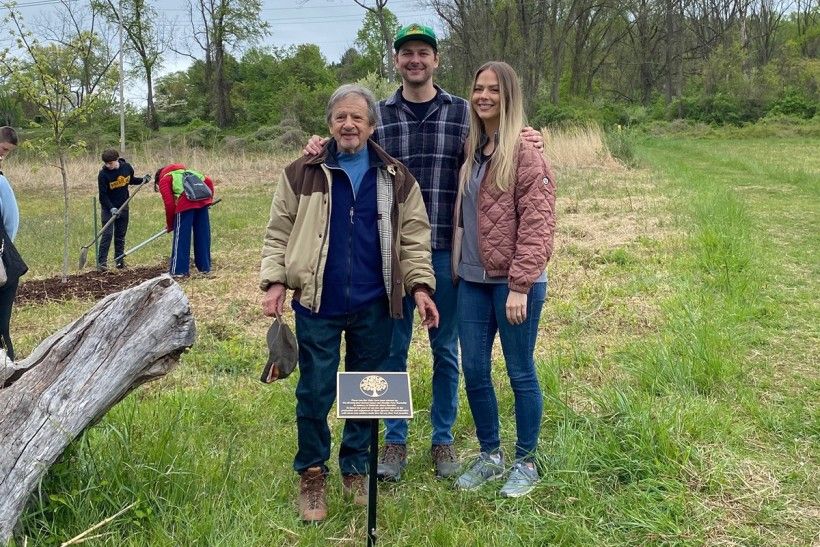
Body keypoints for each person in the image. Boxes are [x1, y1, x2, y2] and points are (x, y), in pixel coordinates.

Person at [304, 23, 544, 482]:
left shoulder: (461, 113)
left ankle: (442, 439)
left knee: (446, 351)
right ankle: (395, 441)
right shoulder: (379, 114)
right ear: (396, 61)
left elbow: (500, 141)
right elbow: (346, 145)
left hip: (449, 253)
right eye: (407, 53)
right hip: (388, 255)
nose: (415, 60)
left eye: (423, 53)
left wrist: (530, 137)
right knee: (392, 349)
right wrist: (318, 144)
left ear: (436, 60)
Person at [260, 84, 440, 523]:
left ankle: (356, 468)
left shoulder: (396, 178)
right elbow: (278, 230)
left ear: (372, 125)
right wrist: (274, 280)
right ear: (329, 125)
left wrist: (420, 287)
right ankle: (313, 474)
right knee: (315, 391)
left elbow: (415, 239)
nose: (348, 124)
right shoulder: (302, 173)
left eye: (357, 117)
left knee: (365, 393)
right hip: (316, 304)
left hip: (375, 304)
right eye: (340, 117)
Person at [452, 61, 556, 497]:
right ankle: (490, 454)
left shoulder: (526, 151)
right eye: (478, 88)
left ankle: (526, 461)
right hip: (472, 280)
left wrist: (520, 285)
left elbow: (539, 222)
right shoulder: (475, 149)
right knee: (474, 370)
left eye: (493, 89)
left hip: (515, 284)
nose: (484, 96)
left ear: (508, 96)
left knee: (520, 372)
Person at [155, 163, 214, 277]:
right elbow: (209, 182)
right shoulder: (191, 173)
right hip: (202, 204)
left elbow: (169, 204)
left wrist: (171, 224)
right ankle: (205, 268)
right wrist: (209, 201)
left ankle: (179, 271)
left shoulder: (165, 179)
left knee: (181, 238)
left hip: (184, 207)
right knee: (203, 236)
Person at [96, 149, 149, 270]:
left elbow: (131, 180)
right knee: (107, 234)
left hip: (124, 205)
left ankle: (119, 261)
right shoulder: (103, 175)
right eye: (106, 163)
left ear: (116, 160)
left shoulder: (126, 167)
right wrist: (111, 208)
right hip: (108, 208)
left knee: (120, 235)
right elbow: (102, 196)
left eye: (110, 163)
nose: (108, 165)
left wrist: (143, 180)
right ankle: (102, 263)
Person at [0, 126, 26, 361]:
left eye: (7, 152)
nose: (3, 155)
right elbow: (11, 220)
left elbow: (10, 222)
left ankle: (6, 365)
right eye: (3, 149)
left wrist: (4, 250)